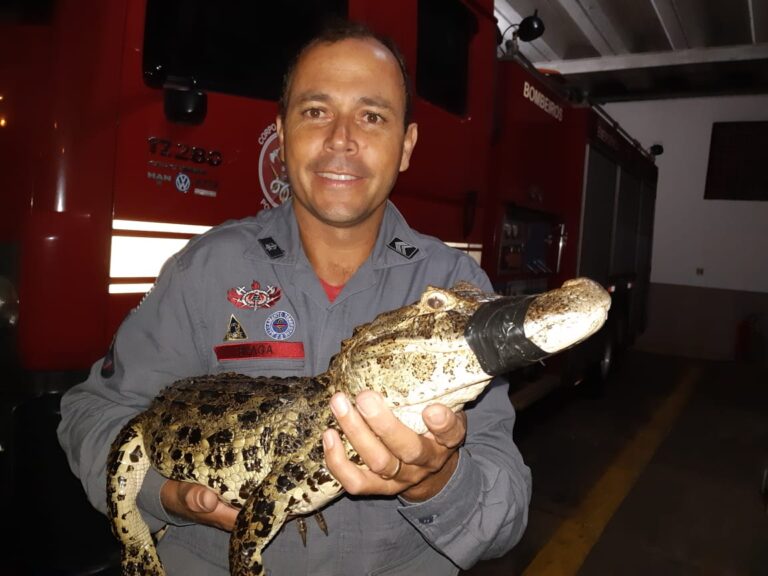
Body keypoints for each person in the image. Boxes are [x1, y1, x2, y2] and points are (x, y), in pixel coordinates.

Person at [58, 21, 531, 576]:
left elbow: (507, 510)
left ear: (406, 146)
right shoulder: (203, 269)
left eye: (372, 115)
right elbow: (89, 412)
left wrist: (438, 481)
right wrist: (163, 493)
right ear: (280, 135)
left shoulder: (456, 292)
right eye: (315, 111)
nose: (341, 138)